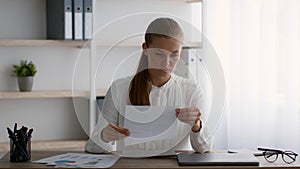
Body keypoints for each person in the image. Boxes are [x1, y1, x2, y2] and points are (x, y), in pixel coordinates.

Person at [85, 17, 213, 156]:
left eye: (174, 55)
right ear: (145, 49)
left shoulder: (192, 90)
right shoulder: (119, 88)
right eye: (159, 54)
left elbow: (205, 148)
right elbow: (92, 147)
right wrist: (104, 135)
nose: (167, 63)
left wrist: (196, 126)